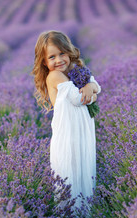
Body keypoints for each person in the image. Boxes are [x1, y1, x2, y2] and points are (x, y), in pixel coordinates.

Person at [32, 30, 101, 208]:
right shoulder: (54, 76)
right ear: (45, 62)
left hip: (82, 135)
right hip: (68, 138)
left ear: (69, 52)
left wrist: (90, 87)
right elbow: (78, 99)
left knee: (83, 175)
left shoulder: (76, 71)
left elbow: (96, 87)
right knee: (71, 178)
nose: (58, 60)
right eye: (52, 57)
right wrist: (89, 90)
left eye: (62, 53)